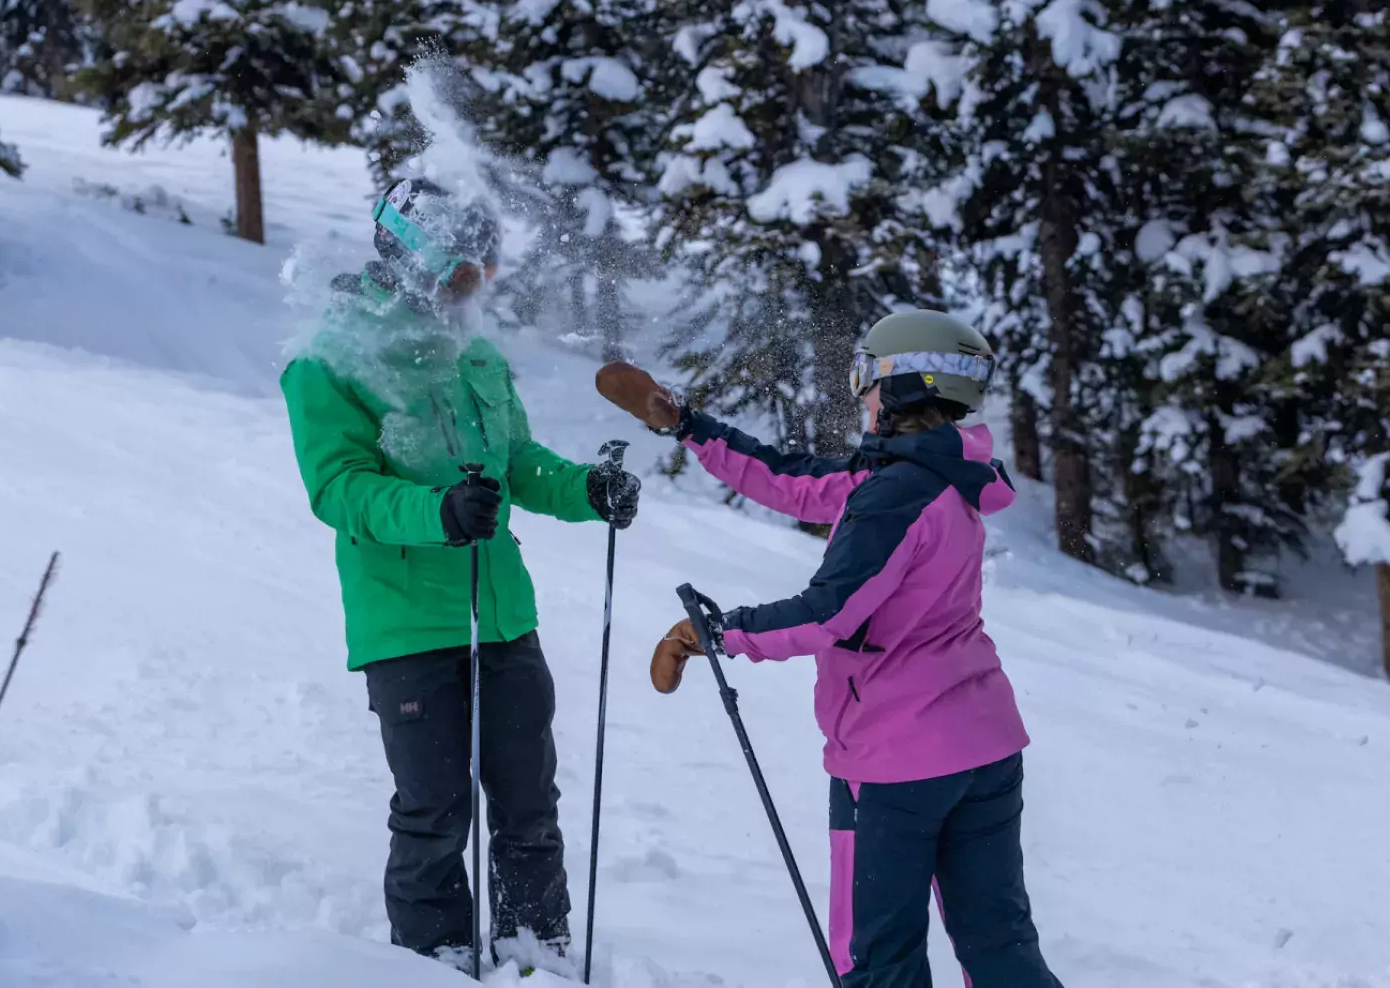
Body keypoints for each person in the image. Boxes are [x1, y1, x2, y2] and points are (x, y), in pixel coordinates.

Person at [597, 310, 1063, 988]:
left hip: (896, 761)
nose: (861, 395)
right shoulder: (941, 475)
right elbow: (793, 481)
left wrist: (720, 631)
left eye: (868, 379)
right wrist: (690, 425)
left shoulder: (892, 496)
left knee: (876, 958)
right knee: (998, 945)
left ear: (901, 386)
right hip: (985, 750)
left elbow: (830, 614)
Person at [281, 178, 641, 973]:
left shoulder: (472, 351)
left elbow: (517, 462)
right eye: (461, 272)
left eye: (484, 271)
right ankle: (433, 958)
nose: (472, 287)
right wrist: (438, 511)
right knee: (435, 811)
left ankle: (534, 950)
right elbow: (338, 487)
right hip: (406, 620)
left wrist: (586, 489)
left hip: (502, 614)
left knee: (528, 804)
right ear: (416, 260)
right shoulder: (332, 356)